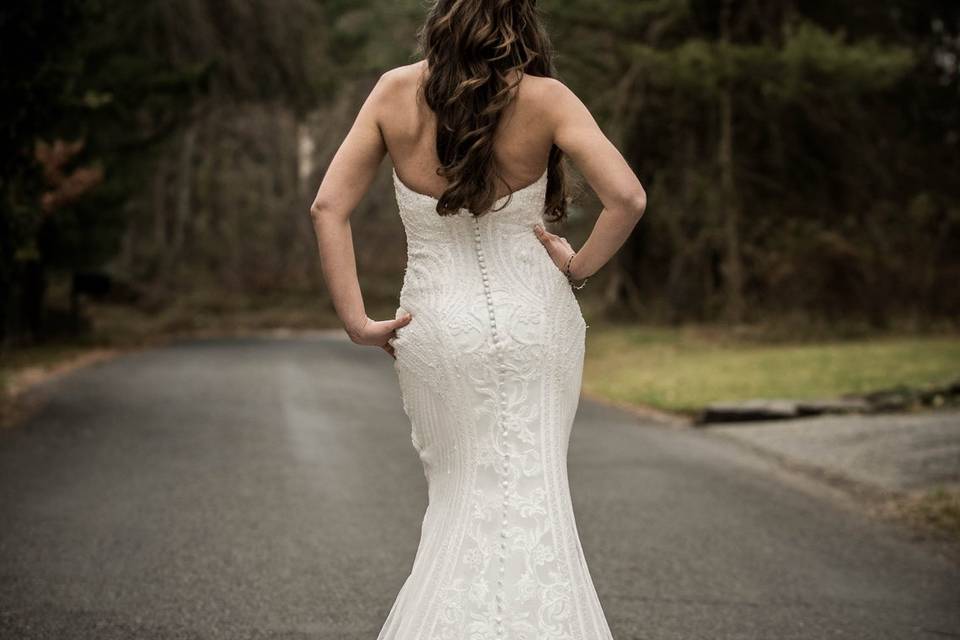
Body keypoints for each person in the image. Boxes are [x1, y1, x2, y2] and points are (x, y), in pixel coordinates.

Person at [309, 1, 646, 637]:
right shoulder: (547, 98)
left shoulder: (393, 92)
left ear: (444, 14)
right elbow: (626, 197)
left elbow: (328, 205)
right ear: (521, 19)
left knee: (460, 494)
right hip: (537, 324)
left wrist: (356, 320)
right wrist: (579, 269)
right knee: (535, 492)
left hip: (436, 329)